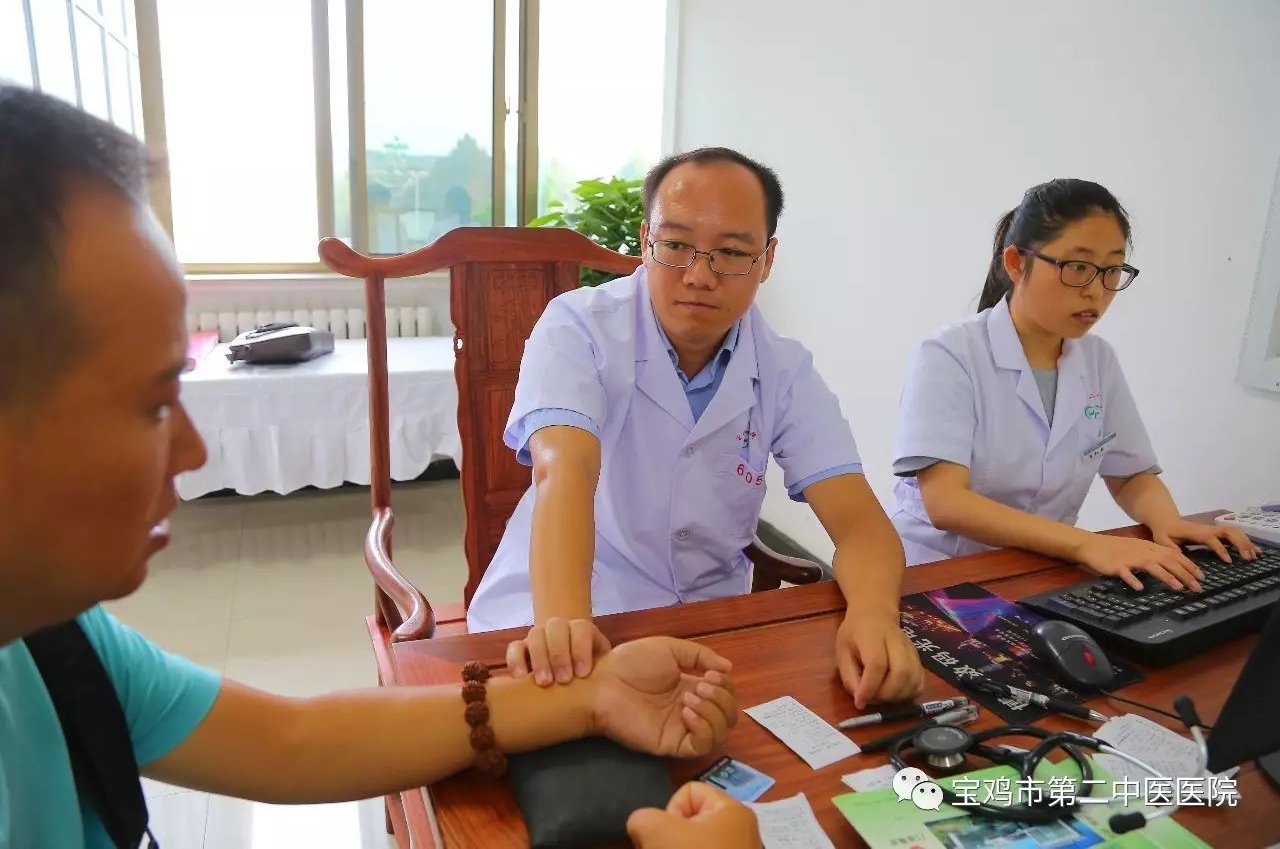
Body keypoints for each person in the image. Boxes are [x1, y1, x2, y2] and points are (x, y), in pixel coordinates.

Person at [0, 85, 748, 848]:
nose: (194, 451)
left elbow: (291, 738)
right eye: (154, 402)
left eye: (730, 252)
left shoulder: (51, 644)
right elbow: (564, 473)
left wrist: (590, 697)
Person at [467, 146, 924, 710]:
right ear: (645, 239)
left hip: (706, 623)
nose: (700, 276)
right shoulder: (578, 327)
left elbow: (860, 525)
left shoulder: (783, 369)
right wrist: (566, 627)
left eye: (732, 253)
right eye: (677, 245)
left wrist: (876, 618)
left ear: (767, 259)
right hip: (570, 606)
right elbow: (565, 469)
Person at [889, 178, 1261, 586]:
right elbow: (947, 503)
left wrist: (1167, 521)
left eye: (1112, 270)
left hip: (1043, 569)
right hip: (940, 572)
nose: (1097, 293)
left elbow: (1131, 474)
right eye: (1078, 268)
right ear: (1015, 264)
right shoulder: (950, 354)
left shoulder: (1097, 359)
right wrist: (1088, 545)